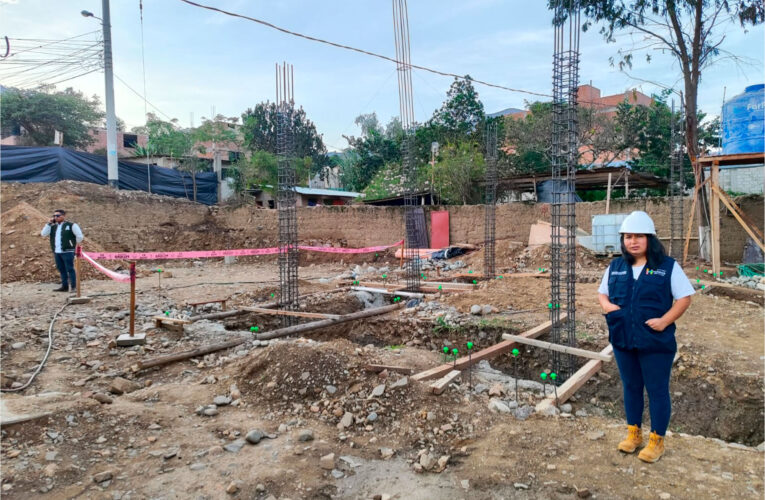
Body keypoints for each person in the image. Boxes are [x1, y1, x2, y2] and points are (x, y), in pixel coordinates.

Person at [597, 211, 694, 463]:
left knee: (657, 390)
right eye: (628, 237)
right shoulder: (616, 267)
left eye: (639, 236)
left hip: (655, 342)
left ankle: (657, 441)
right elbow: (602, 294)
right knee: (631, 387)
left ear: (650, 238)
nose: (633, 241)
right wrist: (607, 307)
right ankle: (634, 435)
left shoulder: (667, 267)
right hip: (623, 339)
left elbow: (684, 298)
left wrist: (664, 321)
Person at [41, 209, 84, 292]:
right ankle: (65, 287)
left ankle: (74, 287)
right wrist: (49, 224)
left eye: (57, 216)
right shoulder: (53, 226)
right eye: (54, 216)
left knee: (70, 269)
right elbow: (43, 234)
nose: (55, 217)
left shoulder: (71, 225)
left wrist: (73, 245)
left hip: (68, 251)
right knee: (61, 269)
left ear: (63, 216)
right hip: (57, 252)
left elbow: (80, 236)